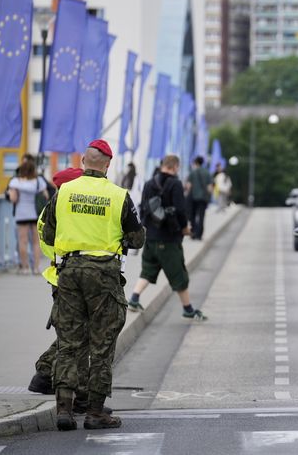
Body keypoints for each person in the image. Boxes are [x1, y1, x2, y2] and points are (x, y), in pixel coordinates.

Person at [40, 140, 145, 431]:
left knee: (68, 344)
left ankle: (64, 409)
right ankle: (96, 413)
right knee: (101, 345)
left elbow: (48, 233)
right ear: (108, 164)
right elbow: (137, 239)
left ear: (84, 162)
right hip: (104, 276)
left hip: (69, 273)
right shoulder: (119, 195)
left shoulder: (63, 192)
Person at [127, 155, 208, 321]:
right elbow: (180, 210)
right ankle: (188, 309)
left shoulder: (150, 183)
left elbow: (142, 209)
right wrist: (185, 228)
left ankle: (134, 299)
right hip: (169, 239)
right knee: (179, 274)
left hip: (150, 237)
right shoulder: (175, 184)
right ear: (175, 166)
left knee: (148, 269)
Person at [7, 155, 49, 274]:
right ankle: (36, 268)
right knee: (36, 242)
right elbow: (45, 196)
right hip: (35, 214)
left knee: (23, 241)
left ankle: (25, 267)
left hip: (22, 214)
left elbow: (13, 199)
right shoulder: (38, 181)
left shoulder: (16, 182)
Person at [186, 156, 213, 239]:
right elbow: (210, 188)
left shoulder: (193, 172)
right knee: (201, 216)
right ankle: (199, 235)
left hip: (193, 197)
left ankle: (193, 232)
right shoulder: (207, 173)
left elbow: (188, 186)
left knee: (192, 215)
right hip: (203, 198)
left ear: (196, 163)